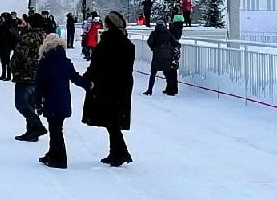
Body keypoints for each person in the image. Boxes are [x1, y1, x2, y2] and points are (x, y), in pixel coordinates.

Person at [82, 11, 135, 166]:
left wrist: (87, 77)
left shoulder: (106, 42)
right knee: (114, 118)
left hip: (106, 84)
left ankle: (121, 152)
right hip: (122, 84)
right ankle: (117, 152)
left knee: (109, 119)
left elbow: (97, 63)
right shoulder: (127, 43)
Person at [31, 33, 88, 169]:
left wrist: (37, 102)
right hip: (63, 100)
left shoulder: (44, 62)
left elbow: (39, 85)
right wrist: (88, 85)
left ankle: (60, 159)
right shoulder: (65, 62)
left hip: (50, 101)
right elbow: (75, 78)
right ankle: (52, 154)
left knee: (55, 131)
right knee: (56, 128)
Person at [10, 14, 47, 141]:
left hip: (26, 75)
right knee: (31, 103)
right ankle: (31, 131)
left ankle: (37, 127)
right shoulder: (44, 36)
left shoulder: (29, 37)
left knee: (22, 103)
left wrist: (14, 66)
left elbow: (20, 56)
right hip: (39, 75)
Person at [144, 20, 173, 95]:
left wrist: (153, 48)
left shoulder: (154, 33)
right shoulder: (168, 33)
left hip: (157, 55)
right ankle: (169, 90)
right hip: (167, 56)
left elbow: (149, 42)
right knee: (167, 74)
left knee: (153, 73)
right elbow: (175, 42)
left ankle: (149, 90)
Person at [0, 13, 17, 81]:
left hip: (6, 45)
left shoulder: (9, 25)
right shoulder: (2, 24)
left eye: (3, 17)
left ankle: (8, 75)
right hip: (1, 44)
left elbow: (10, 35)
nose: (2, 18)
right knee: (3, 61)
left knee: (7, 61)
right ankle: (3, 74)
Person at [164, 16, 183, 96]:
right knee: (172, 70)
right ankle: (172, 88)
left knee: (169, 71)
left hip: (171, 51)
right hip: (174, 51)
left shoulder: (174, 28)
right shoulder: (178, 28)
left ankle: (171, 88)